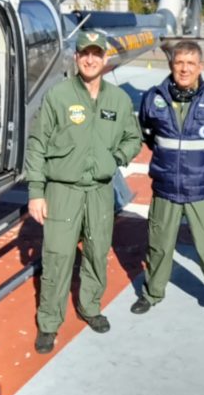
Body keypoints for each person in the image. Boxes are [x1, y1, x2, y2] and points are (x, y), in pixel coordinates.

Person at [26, 30, 141, 353]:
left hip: (100, 191)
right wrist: (36, 192)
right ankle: (49, 322)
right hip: (63, 190)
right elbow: (37, 144)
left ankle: (90, 307)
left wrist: (114, 158)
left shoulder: (118, 100)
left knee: (96, 252)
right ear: (76, 58)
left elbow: (133, 138)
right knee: (57, 257)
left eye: (96, 53)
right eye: (84, 53)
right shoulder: (58, 96)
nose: (90, 59)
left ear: (105, 58)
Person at [130, 41, 204, 323]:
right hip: (165, 187)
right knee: (159, 245)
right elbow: (148, 135)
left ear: (200, 67)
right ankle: (152, 293)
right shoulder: (153, 98)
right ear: (171, 65)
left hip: (202, 189)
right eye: (179, 63)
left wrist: (200, 164)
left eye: (190, 63)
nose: (185, 69)